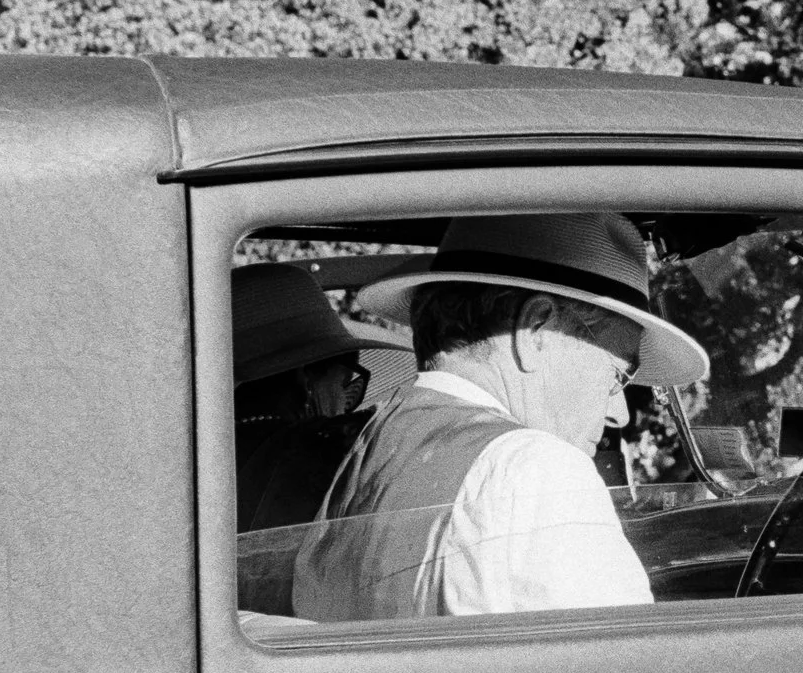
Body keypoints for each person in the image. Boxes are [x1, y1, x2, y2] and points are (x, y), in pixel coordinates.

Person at [290, 212, 710, 622]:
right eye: (616, 375)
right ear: (536, 330)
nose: (618, 412)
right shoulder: (536, 471)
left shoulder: (367, 447)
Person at [232, 263, 413, 534]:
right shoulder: (328, 451)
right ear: (306, 379)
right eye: (345, 385)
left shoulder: (186, 457)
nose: (347, 404)